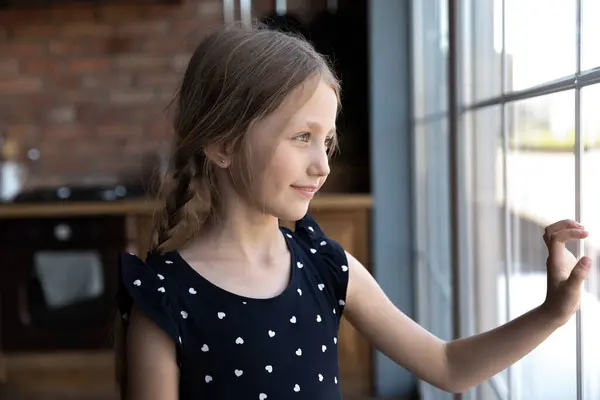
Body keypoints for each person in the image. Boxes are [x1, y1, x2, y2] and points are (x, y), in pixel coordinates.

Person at [114, 23, 592, 400]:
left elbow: (448, 367)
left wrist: (551, 313)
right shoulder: (162, 301)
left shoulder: (325, 265)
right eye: (301, 137)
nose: (322, 165)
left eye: (327, 141)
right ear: (222, 144)